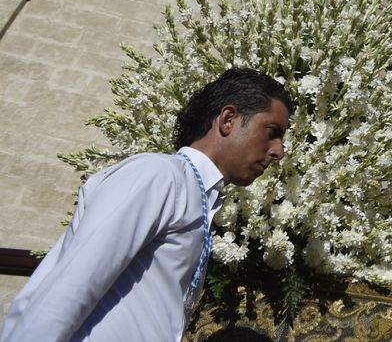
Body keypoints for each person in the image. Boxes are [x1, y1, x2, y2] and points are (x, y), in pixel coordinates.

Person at [2, 67, 294, 342]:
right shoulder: (160, 176)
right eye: (272, 132)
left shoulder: (198, 198)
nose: (278, 151)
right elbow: (72, 284)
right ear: (228, 119)